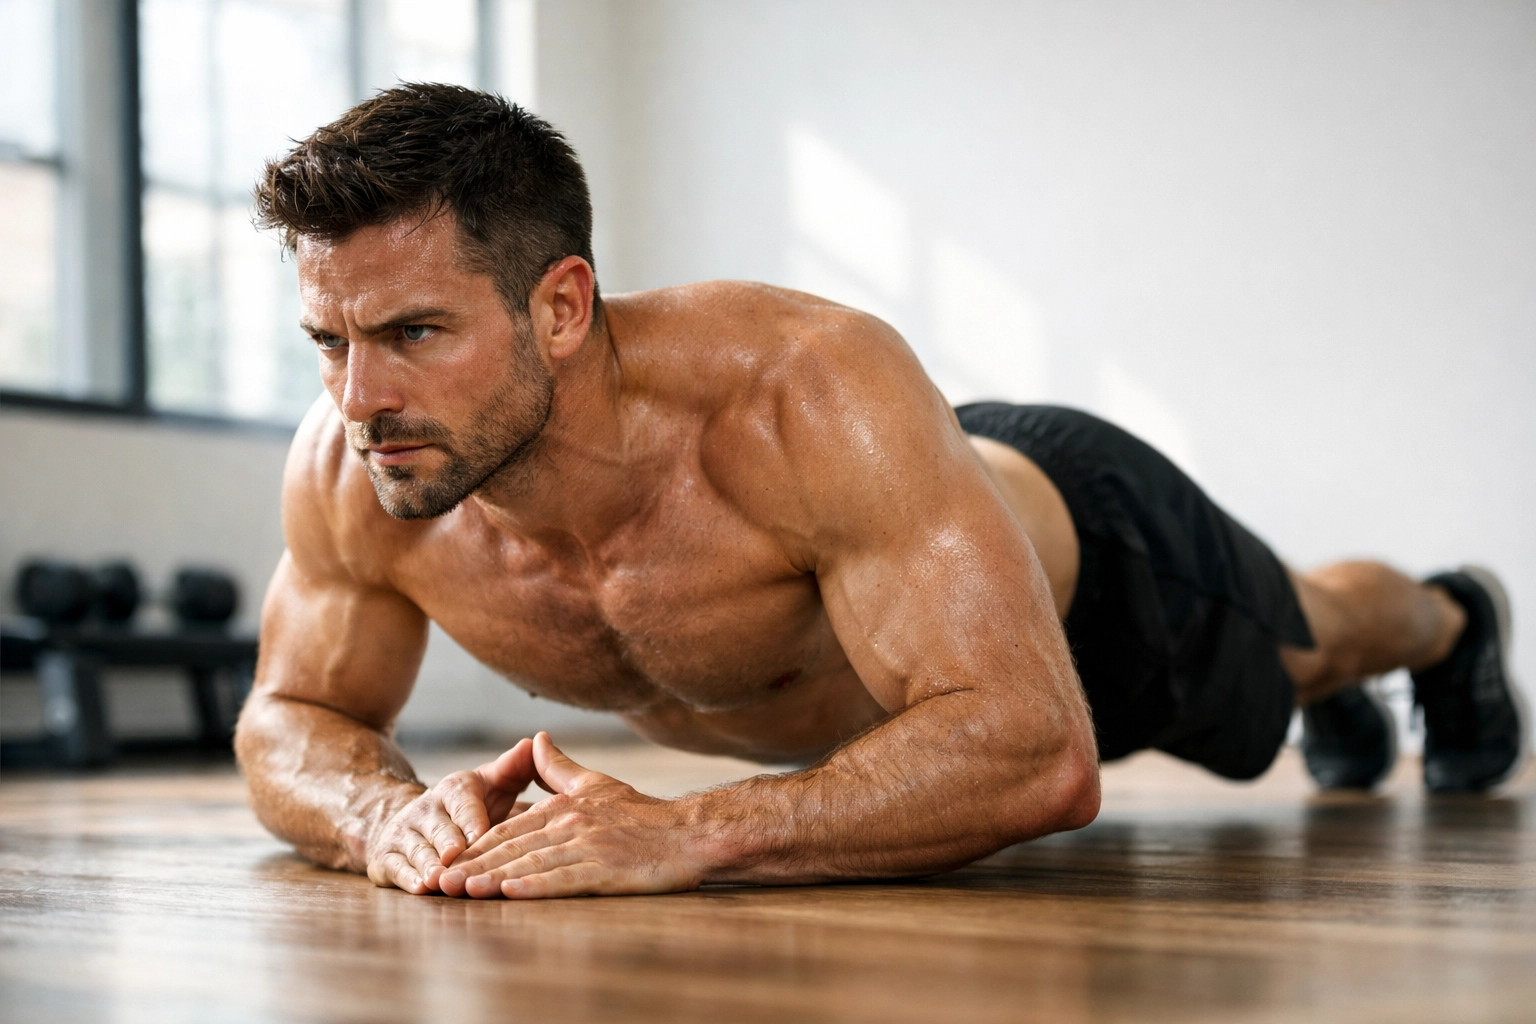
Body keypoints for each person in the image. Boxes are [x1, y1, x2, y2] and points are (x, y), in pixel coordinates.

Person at [235, 84, 1524, 901]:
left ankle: (1453, 623)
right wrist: (383, 817)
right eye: (329, 343)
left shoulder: (805, 390)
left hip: (1090, 565)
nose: (358, 398)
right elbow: (289, 717)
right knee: (1300, 673)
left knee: (1314, 636)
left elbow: (1033, 754)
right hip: (891, 550)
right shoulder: (360, 468)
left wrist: (692, 834)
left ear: (560, 306)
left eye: (412, 332)